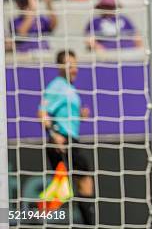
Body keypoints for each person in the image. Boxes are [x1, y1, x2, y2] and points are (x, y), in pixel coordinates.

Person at [38, 50, 95, 225]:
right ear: (61, 67)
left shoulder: (69, 88)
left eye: (75, 65)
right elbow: (42, 113)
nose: (74, 69)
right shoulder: (57, 86)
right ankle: (90, 224)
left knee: (68, 187)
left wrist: (80, 114)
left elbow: (64, 114)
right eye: (70, 65)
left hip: (70, 140)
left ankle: (33, 215)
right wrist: (54, 134)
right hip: (62, 141)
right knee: (82, 181)